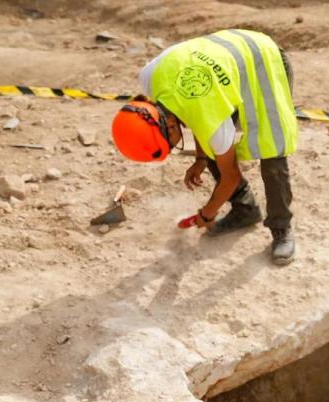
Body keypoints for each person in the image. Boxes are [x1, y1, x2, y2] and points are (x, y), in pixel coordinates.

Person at [110, 29, 298, 265]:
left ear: (168, 123)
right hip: (230, 64)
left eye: (170, 144)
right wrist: (200, 159)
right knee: (214, 149)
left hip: (265, 61)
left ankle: (282, 229)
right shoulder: (149, 79)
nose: (173, 146)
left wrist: (207, 213)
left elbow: (230, 175)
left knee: (271, 149)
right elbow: (198, 113)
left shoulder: (207, 119)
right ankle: (245, 210)